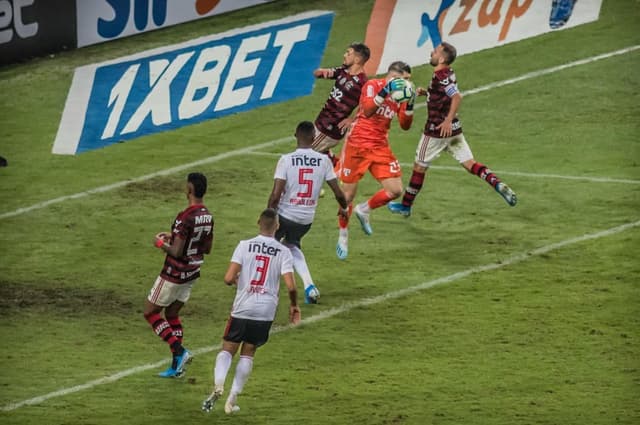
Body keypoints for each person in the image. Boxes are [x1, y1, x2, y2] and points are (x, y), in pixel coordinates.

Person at [387, 42, 517, 217]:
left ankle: (405, 206)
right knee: (470, 164)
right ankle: (496, 183)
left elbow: (456, 96)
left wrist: (447, 120)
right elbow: (446, 93)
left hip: (436, 130)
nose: (431, 53)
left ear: (441, 58)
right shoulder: (447, 73)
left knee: (419, 167)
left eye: (435, 52)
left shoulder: (441, 76)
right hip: (455, 130)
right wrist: (429, 93)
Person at [202, 208, 300, 415]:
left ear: (258, 223)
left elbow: (228, 278)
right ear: (277, 226)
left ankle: (219, 384)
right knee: (249, 352)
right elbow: (291, 286)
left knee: (228, 349)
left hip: (242, 307)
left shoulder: (244, 246)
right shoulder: (283, 252)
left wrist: (240, 281)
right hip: (264, 311)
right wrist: (294, 306)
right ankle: (232, 399)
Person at [335, 61, 416, 260]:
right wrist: (386, 90)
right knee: (346, 198)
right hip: (358, 144)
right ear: (394, 76)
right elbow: (369, 110)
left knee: (395, 190)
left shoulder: (401, 95)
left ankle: (365, 209)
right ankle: (343, 235)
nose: (407, 83)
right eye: (405, 79)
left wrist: (411, 102)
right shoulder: (372, 85)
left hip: (380, 146)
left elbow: (405, 125)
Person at [267, 121, 349, 304]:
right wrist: (344, 209)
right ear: (313, 139)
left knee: (267, 244)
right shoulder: (324, 161)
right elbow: (338, 193)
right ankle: (310, 286)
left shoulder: (286, 160)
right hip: (305, 219)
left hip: (285, 213)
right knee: (292, 245)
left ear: (295, 136)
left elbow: (275, 195)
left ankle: (258, 281)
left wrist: (268, 215)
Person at [143, 172, 214, 378]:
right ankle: (177, 367)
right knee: (172, 314)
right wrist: (174, 236)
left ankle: (179, 351)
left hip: (174, 273)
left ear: (189, 189)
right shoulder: (207, 216)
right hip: (192, 272)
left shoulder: (185, 217)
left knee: (151, 312)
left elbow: (176, 251)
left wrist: (161, 244)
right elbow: (207, 248)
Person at [312, 42, 370, 165]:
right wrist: (322, 72)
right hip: (321, 121)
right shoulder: (343, 71)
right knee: (318, 154)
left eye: (348, 53)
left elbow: (368, 105)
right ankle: (338, 167)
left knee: (305, 153)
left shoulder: (362, 83)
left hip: (330, 129)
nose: (344, 55)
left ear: (357, 59)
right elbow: (320, 73)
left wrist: (351, 119)